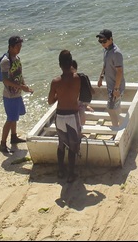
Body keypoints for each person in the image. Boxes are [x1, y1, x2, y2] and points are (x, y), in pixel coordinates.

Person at [48, 49, 81, 182]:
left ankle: (61, 171)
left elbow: (50, 101)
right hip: (72, 115)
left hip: (60, 115)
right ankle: (71, 174)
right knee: (73, 146)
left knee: (61, 144)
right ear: (71, 63)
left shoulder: (55, 82)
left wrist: (58, 96)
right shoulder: (78, 78)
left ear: (60, 64)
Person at [0, 35, 34, 154]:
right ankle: (2, 144)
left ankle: (13, 137)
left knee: (15, 117)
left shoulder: (16, 58)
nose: (19, 48)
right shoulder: (5, 61)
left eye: (20, 46)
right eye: (17, 46)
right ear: (11, 47)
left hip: (17, 93)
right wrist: (20, 87)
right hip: (9, 95)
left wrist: (25, 86)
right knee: (10, 118)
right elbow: (5, 80)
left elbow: (19, 74)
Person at [96, 29, 125, 129]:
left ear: (111, 39)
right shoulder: (106, 50)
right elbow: (105, 65)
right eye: (100, 41)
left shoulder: (116, 53)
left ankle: (116, 129)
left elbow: (119, 72)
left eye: (104, 41)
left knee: (110, 109)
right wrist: (101, 77)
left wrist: (116, 89)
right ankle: (122, 122)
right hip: (110, 85)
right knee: (115, 108)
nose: (102, 44)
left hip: (116, 87)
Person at [71, 59, 94, 133]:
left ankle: (81, 128)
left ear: (75, 69)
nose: (70, 72)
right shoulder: (69, 79)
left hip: (80, 101)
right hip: (76, 101)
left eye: (72, 69)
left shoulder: (80, 78)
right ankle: (85, 106)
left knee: (81, 113)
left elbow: (90, 90)